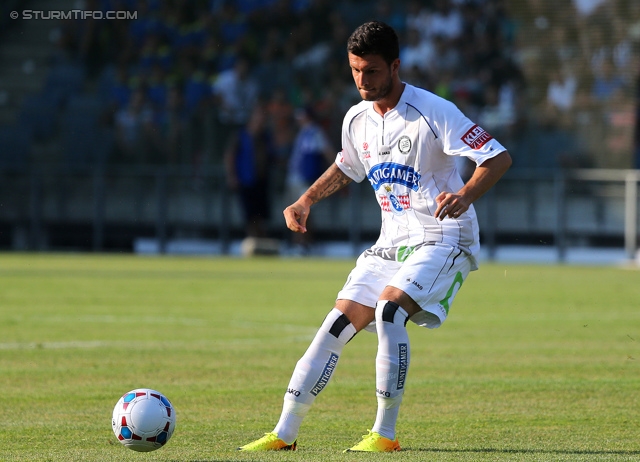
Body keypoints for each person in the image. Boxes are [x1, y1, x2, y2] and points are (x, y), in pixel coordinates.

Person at [238, 20, 512, 453]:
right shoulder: (356, 118)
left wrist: (463, 194)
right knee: (334, 325)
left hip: (443, 236)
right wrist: (306, 199)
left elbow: (496, 157)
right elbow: (349, 166)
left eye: (371, 71)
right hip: (391, 242)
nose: (362, 80)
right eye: (355, 70)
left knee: (388, 311)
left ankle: (384, 434)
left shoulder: (433, 110)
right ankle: (283, 433)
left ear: (395, 66)